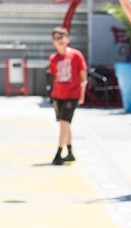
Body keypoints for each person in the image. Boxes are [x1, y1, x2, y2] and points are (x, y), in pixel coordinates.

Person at [48, 26, 87, 166]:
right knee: (64, 124)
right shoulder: (53, 58)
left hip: (72, 94)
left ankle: (58, 153)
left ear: (67, 38)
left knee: (64, 123)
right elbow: (54, 76)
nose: (59, 41)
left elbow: (83, 77)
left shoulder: (76, 55)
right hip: (58, 95)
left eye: (61, 37)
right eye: (56, 38)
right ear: (53, 42)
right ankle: (70, 152)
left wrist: (81, 95)